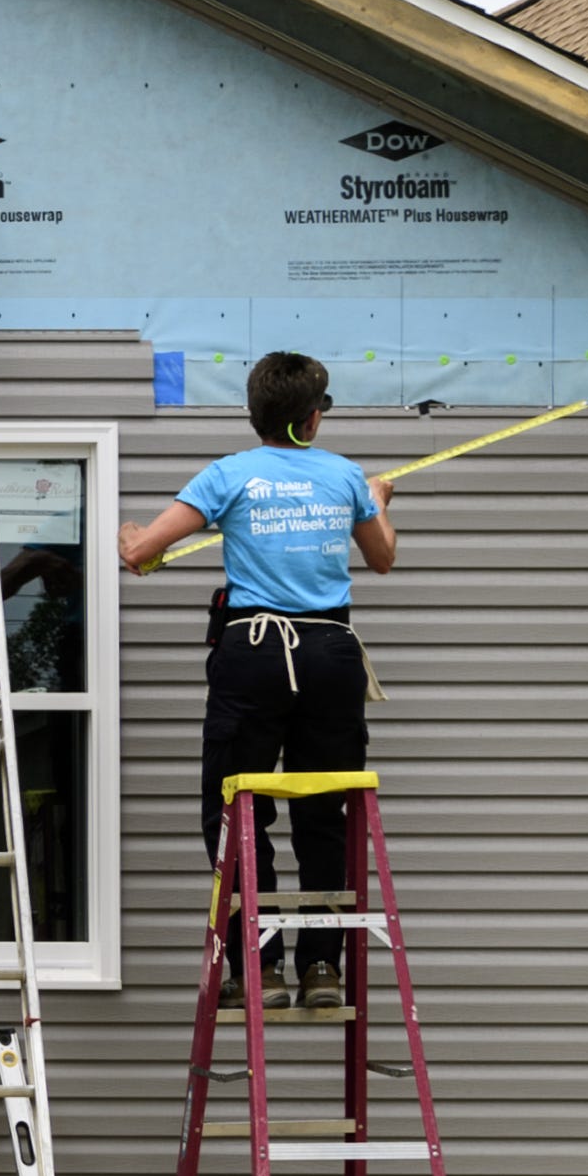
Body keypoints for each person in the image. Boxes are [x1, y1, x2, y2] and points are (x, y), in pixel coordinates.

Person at [118, 351, 397, 1007]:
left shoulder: (230, 475)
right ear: (314, 416)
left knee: (234, 809)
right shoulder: (347, 476)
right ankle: (322, 969)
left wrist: (133, 534)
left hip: (254, 653)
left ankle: (259, 968)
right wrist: (378, 501)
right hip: (330, 655)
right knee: (324, 811)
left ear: (256, 413)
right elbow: (382, 556)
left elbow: (140, 551)